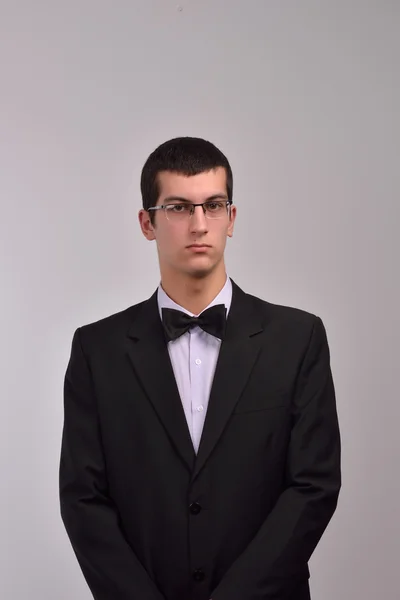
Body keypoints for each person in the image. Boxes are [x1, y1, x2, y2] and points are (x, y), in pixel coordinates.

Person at [59, 136, 341, 600]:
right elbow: (83, 499)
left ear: (232, 219)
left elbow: (314, 486)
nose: (198, 224)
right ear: (147, 223)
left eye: (213, 205)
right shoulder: (97, 349)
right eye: (177, 208)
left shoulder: (298, 338)